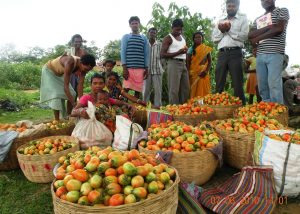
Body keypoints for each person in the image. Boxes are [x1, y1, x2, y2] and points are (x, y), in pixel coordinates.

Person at [248, 0, 289, 104]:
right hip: (260, 55)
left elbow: (279, 29)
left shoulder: (282, 11)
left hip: (275, 53)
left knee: (274, 85)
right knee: (263, 86)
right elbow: (250, 35)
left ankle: (278, 114)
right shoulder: (258, 19)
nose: (266, 0)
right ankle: (267, 111)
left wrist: (258, 38)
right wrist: (270, 27)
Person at [212, 0, 248, 105]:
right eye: (229, 6)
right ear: (226, 7)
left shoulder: (242, 19)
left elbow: (244, 36)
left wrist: (229, 30)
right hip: (222, 53)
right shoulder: (220, 20)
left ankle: (241, 109)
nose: (230, 8)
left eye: (233, 6)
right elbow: (214, 39)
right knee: (219, 81)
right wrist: (222, 31)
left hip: (235, 53)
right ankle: (217, 108)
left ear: (237, 7)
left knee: (237, 83)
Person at [40, 54, 96, 120]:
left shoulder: (84, 68)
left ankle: (68, 116)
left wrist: (81, 102)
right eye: (85, 69)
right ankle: (57, 120)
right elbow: (66, 87)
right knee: (56, 96)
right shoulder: (70, 62)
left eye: (88, 70)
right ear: (81, 63)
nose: (86, 71)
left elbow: (80, 85)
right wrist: (74, 104)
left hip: (59, 74)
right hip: (49, 71)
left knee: (73, 93)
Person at [161, 18, 190, 104]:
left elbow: (183, 52)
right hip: (173, 63)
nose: (179, 31)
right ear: (172, 27)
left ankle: (184, 109)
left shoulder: (182, 37)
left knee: (186, 88)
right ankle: (174, 110)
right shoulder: (168, 38)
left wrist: (184, 51)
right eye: (177, 29)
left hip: (183, 64)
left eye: (181, 29)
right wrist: (178, 52)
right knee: (174, 89)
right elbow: (162, 54)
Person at [121, 16, 149, 98]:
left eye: (136, 23)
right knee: (125, 90)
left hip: (140, 68)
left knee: (138, 91)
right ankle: (123, 106)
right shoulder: (126, 37)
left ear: (139, 24)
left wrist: (146, 68)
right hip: (129, 69)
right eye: (132, 23)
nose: (134, 25)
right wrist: (124, 68)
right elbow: (123, 52)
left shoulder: (144, 38)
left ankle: (136, 108)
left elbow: (146, 54)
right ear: (130, 25)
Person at [187, 32, 212, 98]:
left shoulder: (206, 49)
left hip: (203, 72)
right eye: (196, 37)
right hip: (194, 73)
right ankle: (194, 104)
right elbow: (187, 62)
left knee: (204, 90)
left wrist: (206, 71)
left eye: (199, 37)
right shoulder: (190, 49)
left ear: (202, 38)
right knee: (194, 89)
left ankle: (204, 104)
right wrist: (188, 72)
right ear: (193, 39)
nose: (198, 39)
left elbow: (210, 61)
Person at [143, 27, 164, 106]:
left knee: (158, 90)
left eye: (154, 33)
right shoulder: (145, 44)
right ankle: (145, 105)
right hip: (146, 70)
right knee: (146, 90)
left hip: (157, 70)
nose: (152, 34)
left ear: (156, 34)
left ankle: (158, 107)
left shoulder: (159, 44)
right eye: (151, 32)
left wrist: (162, 66)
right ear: (148, 33)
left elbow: (162, 57)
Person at [67, 34, 88, 99]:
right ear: (73, 42)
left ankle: (79, 104)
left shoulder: (83, 52)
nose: (78, 43)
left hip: (80, 73)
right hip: (71, 74)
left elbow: (85, 63)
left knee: (78, 90)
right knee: (71, 92)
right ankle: (72, 105)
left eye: (79, 41)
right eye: (76, 41)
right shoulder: (69, 51)